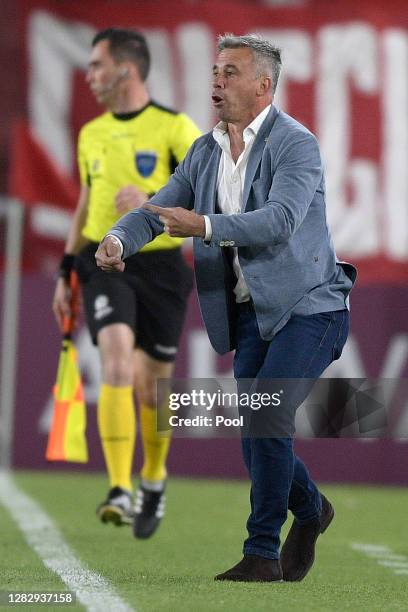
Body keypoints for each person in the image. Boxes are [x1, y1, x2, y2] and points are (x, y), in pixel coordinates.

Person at [95, 34, 356, 581]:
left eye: (230, 72)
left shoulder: (296, 144)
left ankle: (262, 552)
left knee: (268, 416)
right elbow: (157, 210)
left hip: (310, 306)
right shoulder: (205, 151)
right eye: (216, 71)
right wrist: (119, 240)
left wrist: (206, 225)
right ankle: (310, 510)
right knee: (258, 430)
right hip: (250, 314)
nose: (217, 81)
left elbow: (280, 220)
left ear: (263, 86)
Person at [52, 27, 200, 538]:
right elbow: (84, 202)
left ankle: (153, 479)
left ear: (126, 70)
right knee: (114, 357)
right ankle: (119, 487)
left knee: (151, 389)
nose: (89, 74)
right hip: (103, 258)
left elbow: (210, 201)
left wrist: (152, 204)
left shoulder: (175, 128)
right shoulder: (91, 133)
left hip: (160, 267)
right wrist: (66, 270)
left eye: (96, 64)